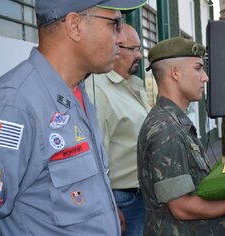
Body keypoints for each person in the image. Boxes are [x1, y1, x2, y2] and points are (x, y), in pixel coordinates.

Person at [0, 0, 146, 235]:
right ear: (75, 26)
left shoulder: (76, 94)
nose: (120, 39)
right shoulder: (16, 105)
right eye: (115, 24)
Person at [137, 37, 225, 235]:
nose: (205, 77)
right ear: (175, 73)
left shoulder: (174, 122)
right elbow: (182, 207)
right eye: (198, 68)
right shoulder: (165, 128)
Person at [85, 23, 150, 236]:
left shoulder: (131, 85)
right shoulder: (99, 90)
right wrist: (109, 206)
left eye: (140, 49)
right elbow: (95, 152)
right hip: (122, 200)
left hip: (141, 195)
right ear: (116, 48)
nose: (139, 55)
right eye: (134, 49)